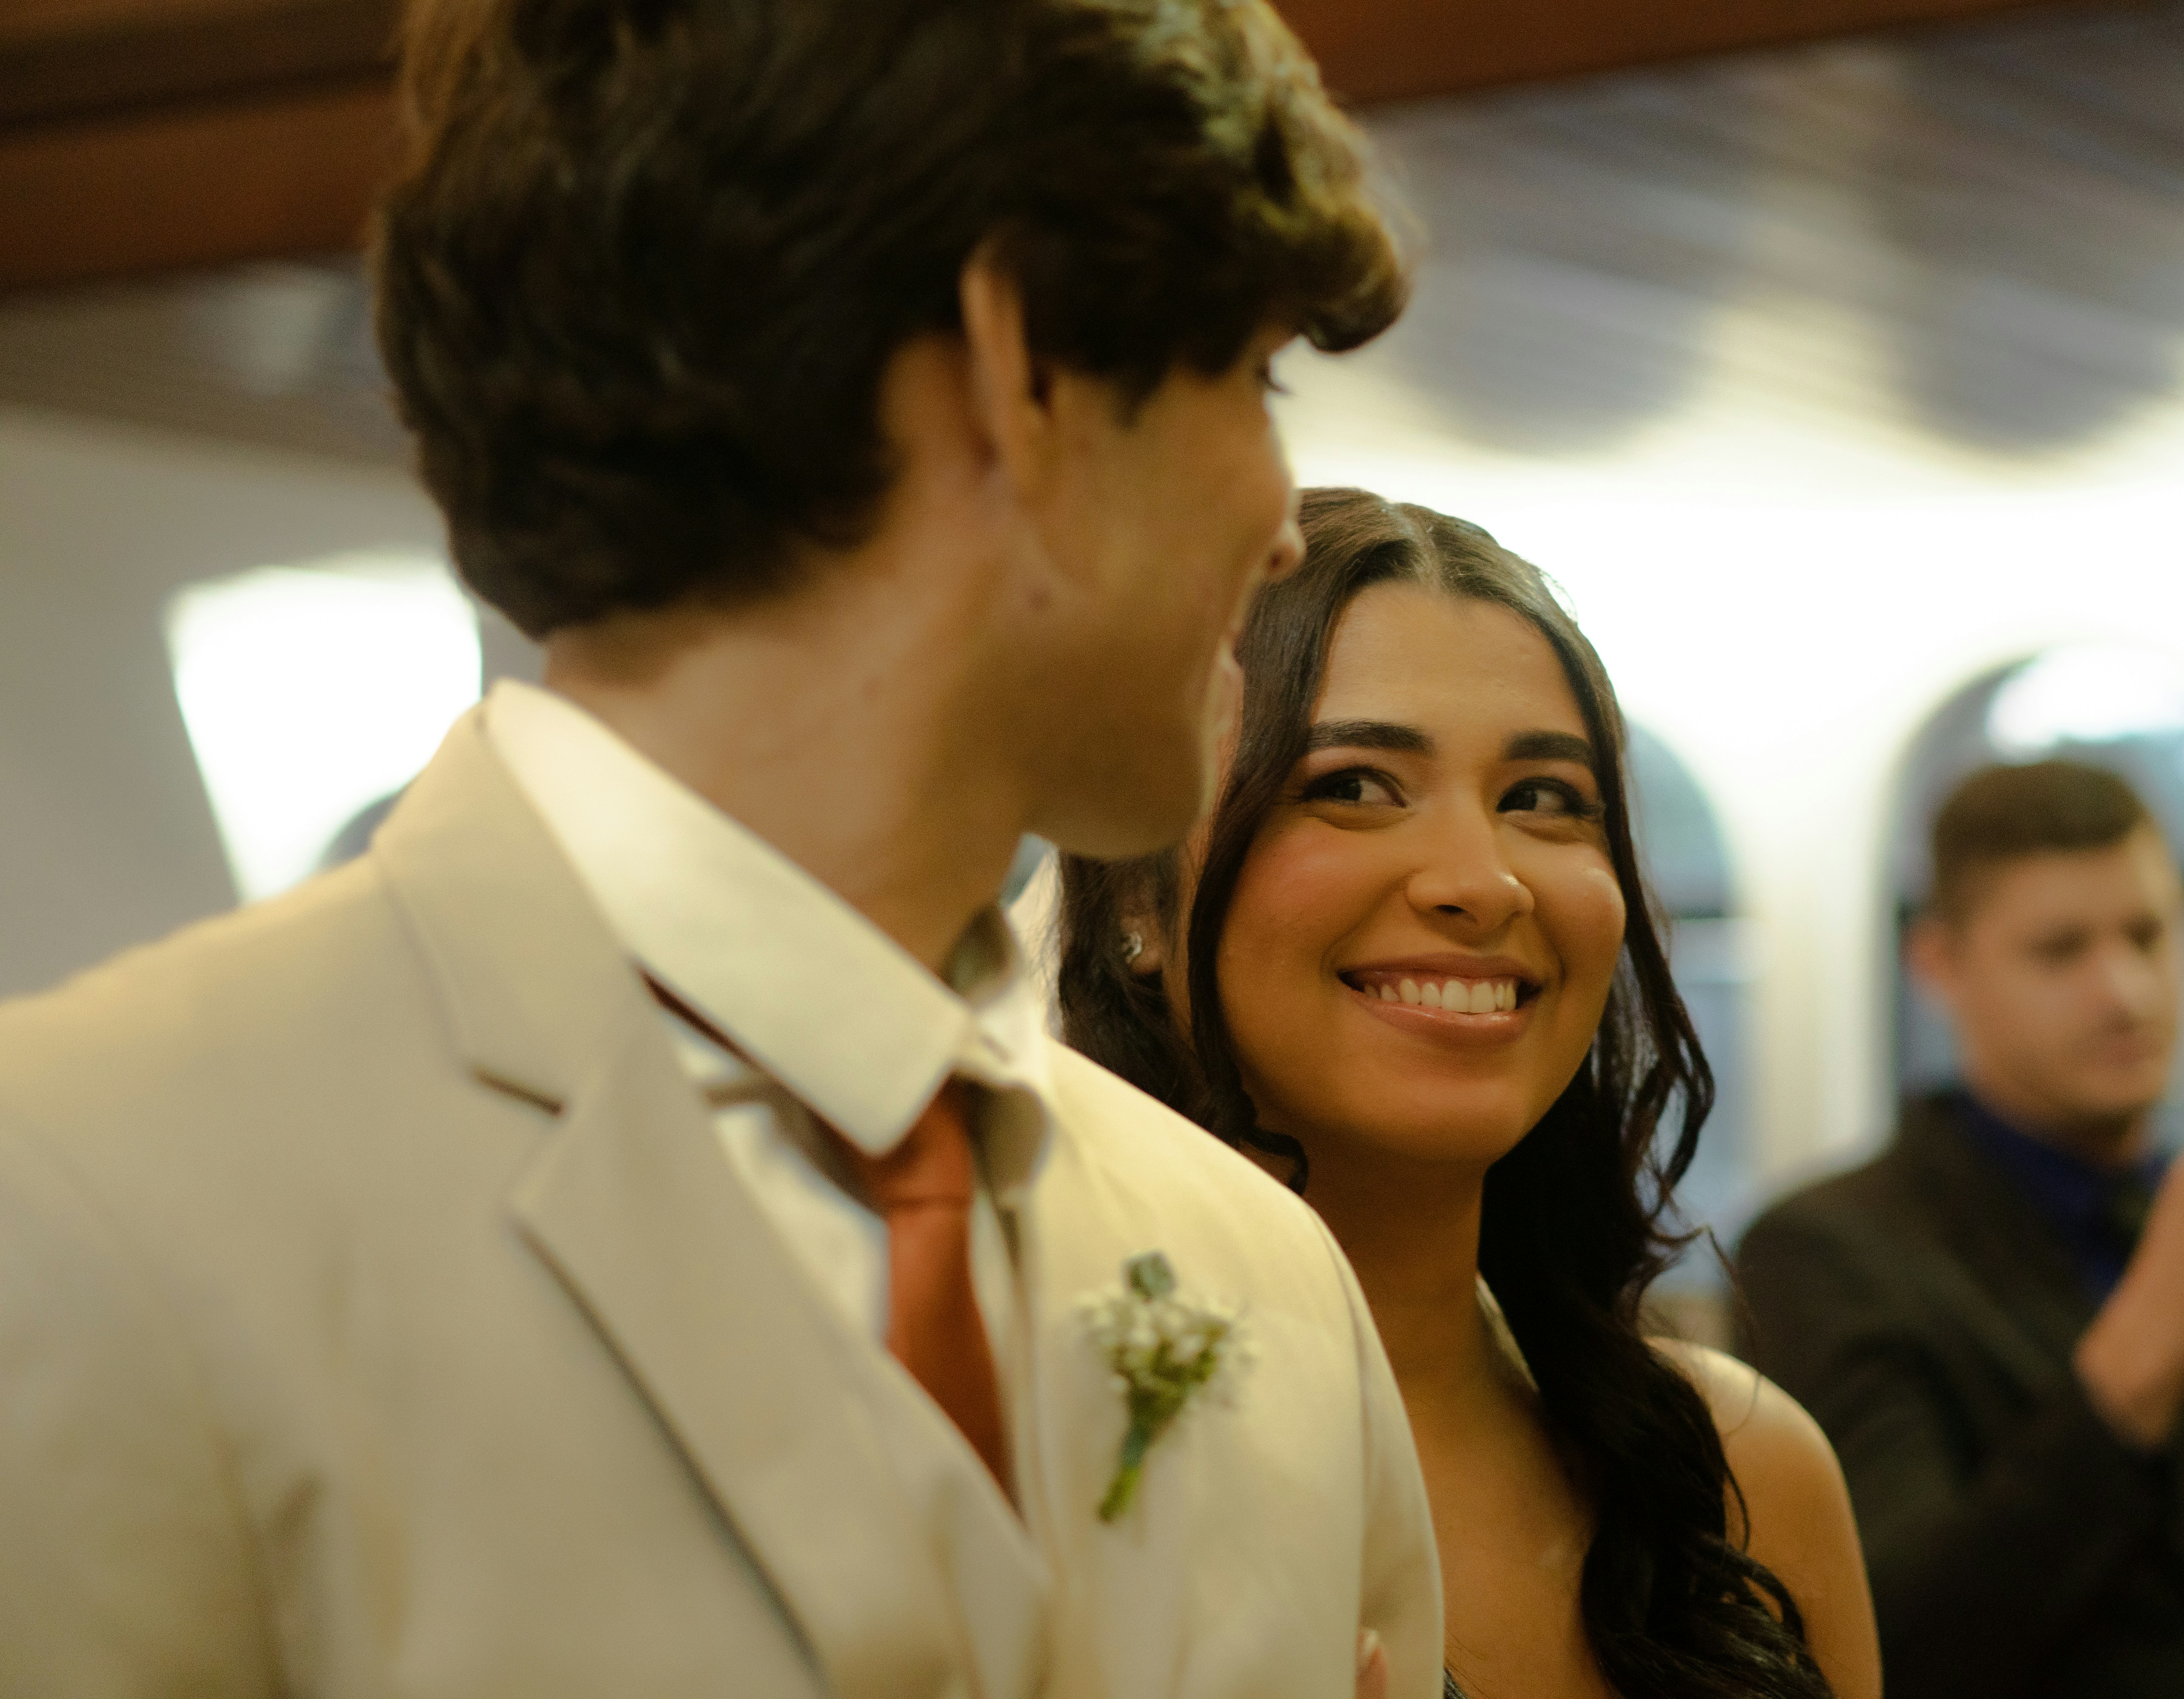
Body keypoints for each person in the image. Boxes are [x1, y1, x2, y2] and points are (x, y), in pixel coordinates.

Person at [0, 4, 1444, 1696]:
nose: (1283, 519)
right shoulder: (85, 1205)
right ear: (1024, 368)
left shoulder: (1252, 1269)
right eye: (1250, 378)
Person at [1056, 488, 1882, 1699]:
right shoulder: (1023, 1435)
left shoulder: (1743, 1473)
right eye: (1355, 785)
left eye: (1543, 800)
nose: (1483, 883)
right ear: (1133, 894)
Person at [1738, 761, 2184, 1699]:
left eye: (2148, 935)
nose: (2126, 990)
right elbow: (1893, 1642)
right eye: (2062, 950)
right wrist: (2142, 1354)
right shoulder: (1828, 1249)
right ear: (1941, 964)